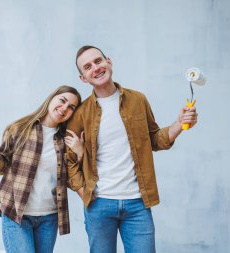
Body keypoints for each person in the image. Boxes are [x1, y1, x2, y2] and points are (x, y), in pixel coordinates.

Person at [66, 45, 198, 253]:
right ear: (83, 78)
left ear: (109, 62)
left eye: (98, 61)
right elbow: (69, 162)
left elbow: (155, 139)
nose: (96, 68)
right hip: (99, 204)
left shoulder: (138, 99)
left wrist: (179, 124)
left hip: (137, 203)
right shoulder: (80, 114)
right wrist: (85, 194)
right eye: (88, 67)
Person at [0, 85, 83, 253]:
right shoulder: (20, 128)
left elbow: (72, 180)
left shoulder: (67, 140)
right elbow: (1, 167)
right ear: (52, 98)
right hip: (17, 214)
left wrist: (80, 153)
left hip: (49, 218)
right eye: (62, 100)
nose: (64, 108)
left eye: (71, 107)